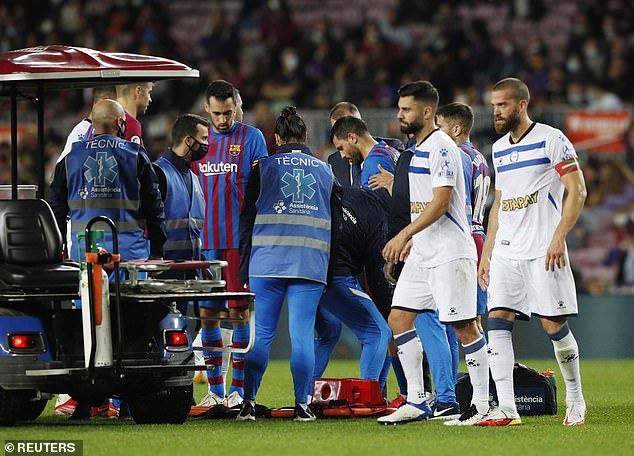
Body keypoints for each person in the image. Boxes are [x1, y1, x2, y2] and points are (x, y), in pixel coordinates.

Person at [377, 81, 489, 426]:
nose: (400, 115)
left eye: (406, 109)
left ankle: (482, 406)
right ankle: (417, 400)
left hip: (450, 253)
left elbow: (441, 203)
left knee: (465, 327)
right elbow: (422, 204)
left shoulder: (441, 146)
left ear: (427, 112)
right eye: (400, 108)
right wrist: (414, 240)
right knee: (398, 319)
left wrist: (404, 234)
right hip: (424, 251)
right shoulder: (419, 148)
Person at [478, 78, 587, 426]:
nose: (496, 111)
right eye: (494, 105)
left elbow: (578, 189)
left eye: (503, 105)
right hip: (507, 251)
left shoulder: (551, 139)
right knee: (496, 320)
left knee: (553, 325)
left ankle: (575, 398)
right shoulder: (498, 148)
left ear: (522, 105)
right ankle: (507, 409)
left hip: (543, 249)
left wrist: (559, 236)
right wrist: (487, 252)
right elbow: (500, 203)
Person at [48, 99, 166, 419]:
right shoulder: (135, 154)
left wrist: (60, 247)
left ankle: (86, 402)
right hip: (128, 258)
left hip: (84, 258)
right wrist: (158, 248)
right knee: (132, 327)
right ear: (120, 124)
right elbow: (154, 206)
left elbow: (56, 207)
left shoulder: (70, 158)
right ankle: (126, 404)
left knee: (85, 327)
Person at [238, 106, 338, 422]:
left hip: (265, 263)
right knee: (302, 335)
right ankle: (302, 406)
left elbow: (247, 220)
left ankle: (248, 403)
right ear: (306, 136)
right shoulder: (325, 172)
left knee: (261, 335)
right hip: (309, 265)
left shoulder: (262, 167)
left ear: (277, 137)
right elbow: (336, 224)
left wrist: (243, 268)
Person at [193, 80, 268, 408]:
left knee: (238, 317)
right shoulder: (199, 142)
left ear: (238, 106)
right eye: (217, 113)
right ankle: (216, 392)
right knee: (208, 315)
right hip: (206, 244)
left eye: (229, 112)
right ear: (206, 109)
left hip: (239, 243)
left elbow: (262, 188)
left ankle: (237, 392)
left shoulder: (253, 138)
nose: (223, 119)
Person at [53, 85, 117, 418]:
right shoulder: (83, 136)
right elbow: (62, 190)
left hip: (91, 238)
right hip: (85, 241)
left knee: (97, 315)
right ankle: (72, 394)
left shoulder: (85, 136)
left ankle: (100, 398)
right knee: (87, 315)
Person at [313, 186, 392, 389]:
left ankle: (303, 398)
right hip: (336, 276)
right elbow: (376, 271)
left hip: (306, 271)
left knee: (328, 331)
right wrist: (389, 308)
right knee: (379, 332)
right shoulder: (381, 214)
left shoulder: (351, 194)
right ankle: (370, 396)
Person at [436, 102, 491, 336]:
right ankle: (488, 371)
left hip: (463, 239)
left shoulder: (457, 156)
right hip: (480, 237)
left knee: (462, 321)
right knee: (475, 319)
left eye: (440, 128)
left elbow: (459, 204)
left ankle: (481, 371)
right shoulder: (479, 157)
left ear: (456, 130)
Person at [153, 114, 209, 298]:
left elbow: (192, 228)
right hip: (163, 273)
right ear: (188, 140)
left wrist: (201, 262)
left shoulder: (194, 177)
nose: (207, 144)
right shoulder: (159, 173)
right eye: (204, 139)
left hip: (189, 272)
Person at [327, 102, 404, 188]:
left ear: (352, 136)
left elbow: (371, 200)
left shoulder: (374, 162)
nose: (342, 155)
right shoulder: (386, 150)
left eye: (341, 148)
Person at [115, 82, 154, 146]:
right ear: (138, 91)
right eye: (149, 93)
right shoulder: (131, 124)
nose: (150, 99)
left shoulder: (103, 119)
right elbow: (132, 156)